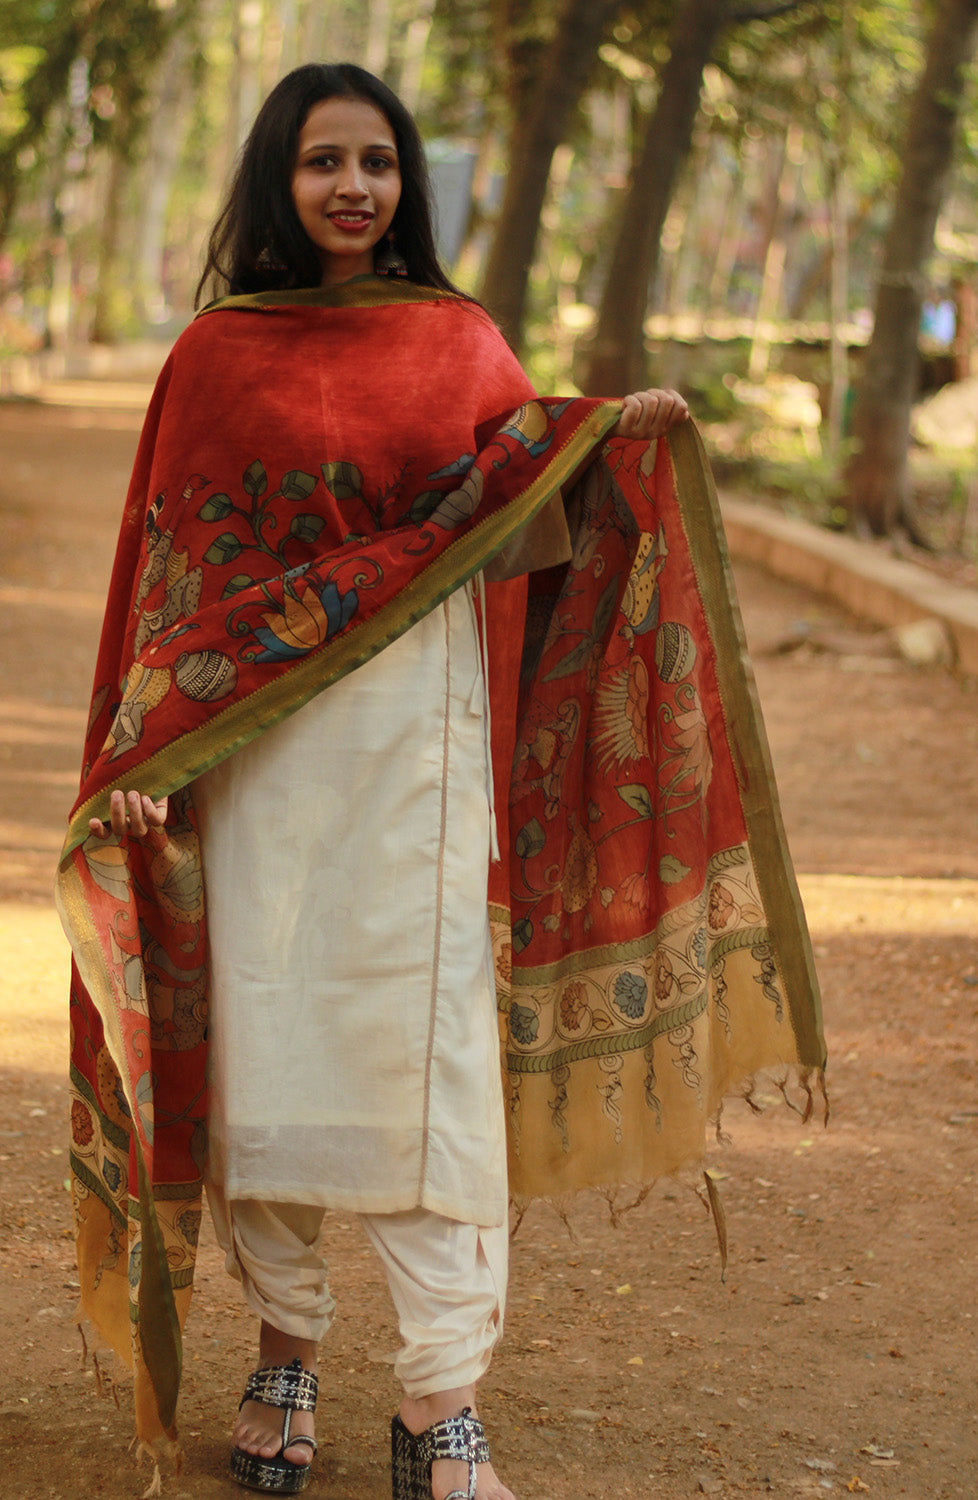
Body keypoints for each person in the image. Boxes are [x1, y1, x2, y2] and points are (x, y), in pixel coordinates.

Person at [59, 62, 823, 1500]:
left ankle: (440, 1402)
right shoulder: (214, 356)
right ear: (276, 182)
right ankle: (286, 1351)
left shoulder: (461, 341)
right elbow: (172, 578)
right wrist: (150, 759)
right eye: (322, 161)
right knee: (269, 1044)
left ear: (408, 180)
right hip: (258, 755)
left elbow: (517, 520)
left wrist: (604, 448)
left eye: (378, 162)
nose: (354, 186)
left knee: (431, 1065)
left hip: (419, 743)